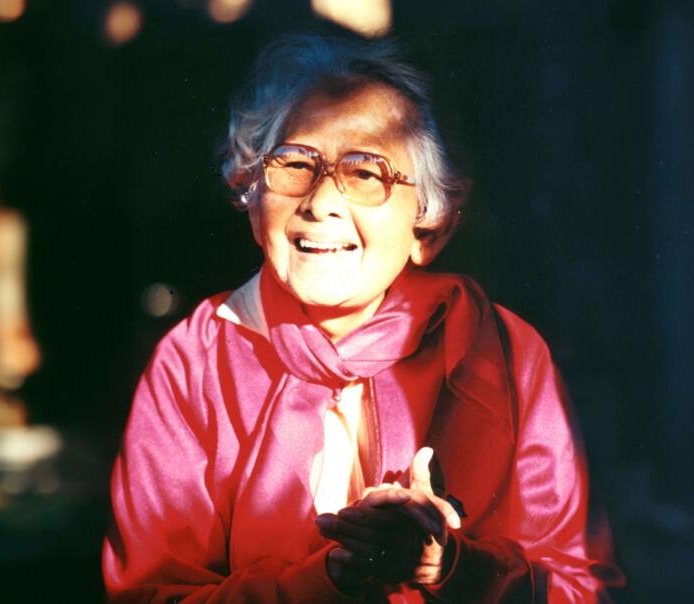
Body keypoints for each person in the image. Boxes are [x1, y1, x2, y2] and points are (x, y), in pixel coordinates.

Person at [102, 34, 619, 602]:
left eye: (366, 173)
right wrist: (324, 581)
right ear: (251, 195)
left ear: (429, 227)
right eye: (294, 164)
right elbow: (148, 595)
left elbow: (580, 589)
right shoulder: (194, 362)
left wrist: (449, 567)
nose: (320, 201)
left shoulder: (504, 353)